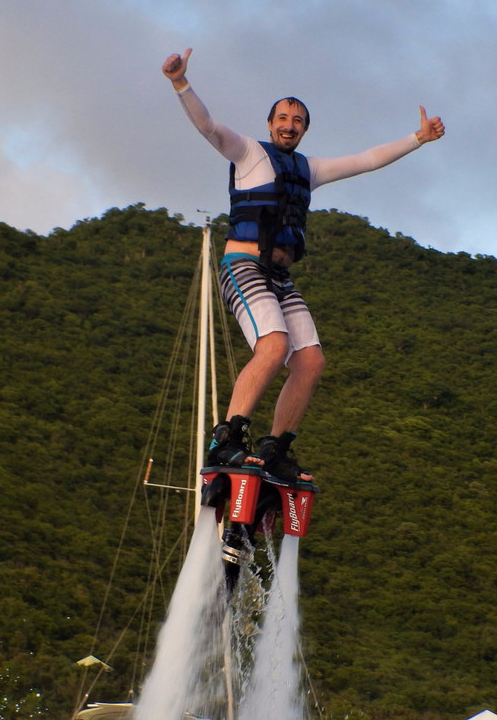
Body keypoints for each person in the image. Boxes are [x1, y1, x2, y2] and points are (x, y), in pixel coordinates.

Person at [163, 47, 445, 484]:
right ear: (269, 124)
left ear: (305, 130)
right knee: (274, 347)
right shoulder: (247, 153)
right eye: (282, 118)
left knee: (311, 361)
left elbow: (367, 159)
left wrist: (417, 139)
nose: (289, 125)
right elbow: (208, 126)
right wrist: (181, 82)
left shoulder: (308, 169)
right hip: (243, 266)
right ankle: (227, 439)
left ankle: (275, 449)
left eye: (297, 120)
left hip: (280, 277)